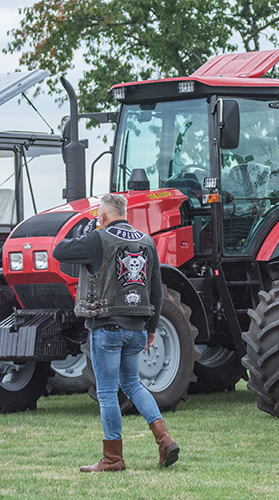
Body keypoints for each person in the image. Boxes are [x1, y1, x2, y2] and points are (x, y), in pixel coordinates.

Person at [53, 194, 179, 472]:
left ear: (103, 216)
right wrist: (151, 328)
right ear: (125, 213)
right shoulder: (146, 241)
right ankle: (164, 438)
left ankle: (113, 458)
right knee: (133, 385)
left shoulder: (98, 238)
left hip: (106, 325)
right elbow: (156, 290)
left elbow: (59, 251)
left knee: (108, 392)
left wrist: (86, 231)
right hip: (136, 327)